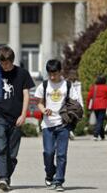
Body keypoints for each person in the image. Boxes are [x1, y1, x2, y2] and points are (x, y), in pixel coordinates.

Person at [0, 46, 35, 191]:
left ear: (12, 61)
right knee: (1, 149)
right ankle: (2, 178)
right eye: (2, 63)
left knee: (12, 153)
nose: (5, 66)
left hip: (16, 117)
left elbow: (26, 95)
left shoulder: (22, 74)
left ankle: (6, 176)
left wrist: (24, 115)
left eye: (7, 63)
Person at [34, 59, 80, 192]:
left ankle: (59, 181)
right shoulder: (43, 85)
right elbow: (39, 103)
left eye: (55, 74)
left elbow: (74, 103)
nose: (53, 77)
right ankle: (50, 173)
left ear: (61, 72)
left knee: (61, 154)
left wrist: (71, 113)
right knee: (48, 153)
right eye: (50, 74)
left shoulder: (68, 85)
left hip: (63, 125)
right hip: (47, 125)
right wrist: (44, 110)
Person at [86, 75, 107, 141]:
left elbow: (89, 97)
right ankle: (96, 135)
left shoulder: (94, 87)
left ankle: (102, 135)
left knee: (99, 120)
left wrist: (88, 106)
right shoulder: (106, 88)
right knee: (100, 121)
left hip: (95, 105)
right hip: (103, 105)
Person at [66, 70, 84, 140]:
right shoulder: (66, 83)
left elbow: (79, 95)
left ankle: (70, 131)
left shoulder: (78, 84)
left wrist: (81, 105)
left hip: (76, 104)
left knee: (75, 119)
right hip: (68, 103)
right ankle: (69, 131)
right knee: (69, 118)